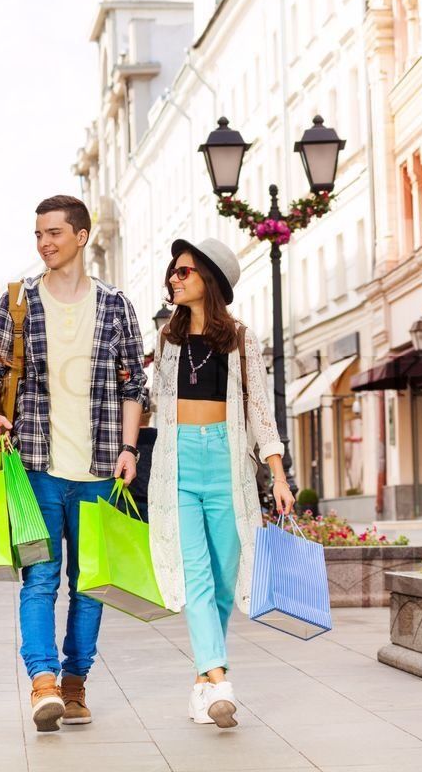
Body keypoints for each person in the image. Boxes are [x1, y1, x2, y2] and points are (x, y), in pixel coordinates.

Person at [0, 195, 147, 732]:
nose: (44, 243)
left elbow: (132, 386)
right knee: (39, 580)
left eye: (54, 233)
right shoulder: (16, 303)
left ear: (81, 236)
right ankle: (43, 682)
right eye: (38, 234)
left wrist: (129, 449)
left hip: (100, 470)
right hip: (34, 470)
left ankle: (75, 682)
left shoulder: (117, 305)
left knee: (90, 582)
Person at [146, 238, 295, 730]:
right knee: (197, 577)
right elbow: (154, 402)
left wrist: (277, 474)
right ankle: (221, 681)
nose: (174, 278)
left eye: (183, 271)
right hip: (180, 464)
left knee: (226, 580)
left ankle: (203, 684)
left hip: (228, 464)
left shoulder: (241, 338)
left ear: (208, 278)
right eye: (173, 272)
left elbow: (259, 410)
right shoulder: (167, 341)